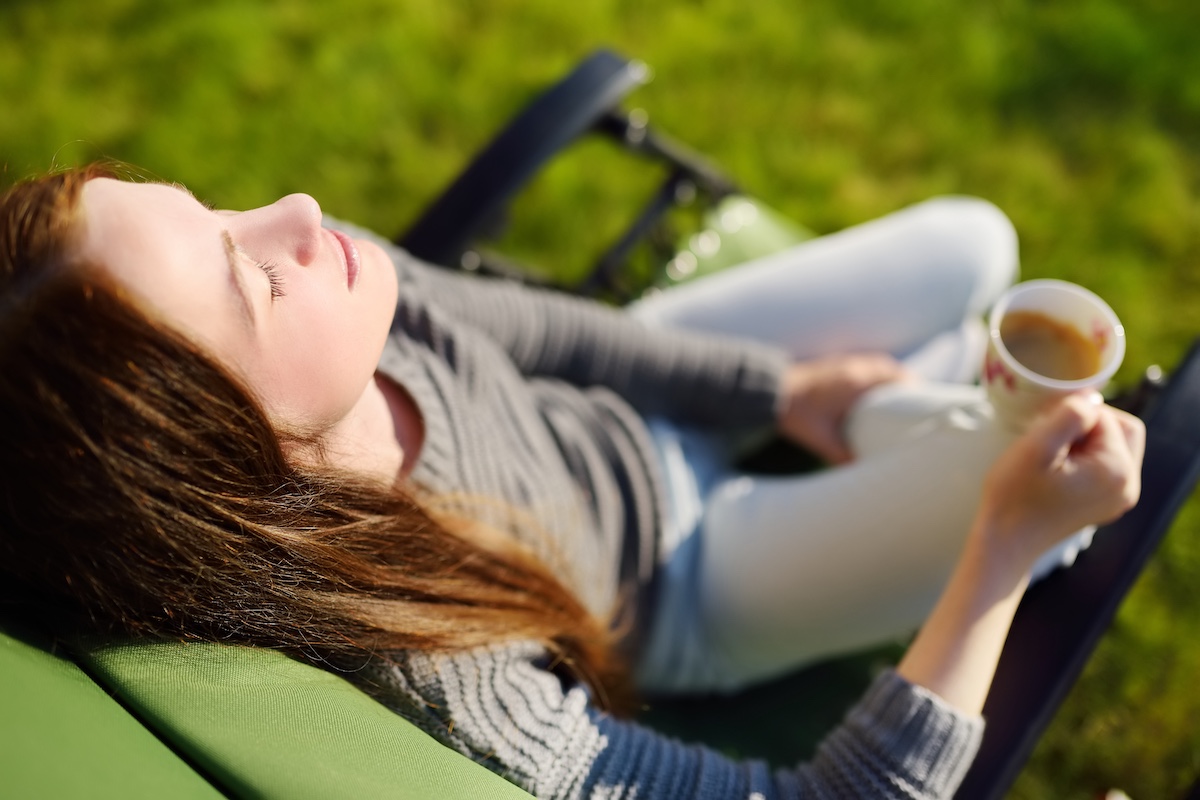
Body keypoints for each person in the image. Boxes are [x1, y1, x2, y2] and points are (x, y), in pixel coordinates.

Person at [0, 165, 1144, 799]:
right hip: (697, 578)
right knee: (1041, 476)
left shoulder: (344, 290)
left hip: (625, 417)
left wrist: (774, 388)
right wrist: (1000, 546)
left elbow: (544, 329)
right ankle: (954, 431)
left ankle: (931, 410)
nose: (295, 215)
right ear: (227, 459)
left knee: (974, 239)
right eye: (248, 278)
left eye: (211, 206)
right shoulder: (434, 658)